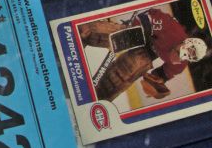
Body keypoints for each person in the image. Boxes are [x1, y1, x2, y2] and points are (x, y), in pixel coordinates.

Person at [79, 7, 209, 101]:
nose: (177, 55)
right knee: (124, 35)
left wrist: (157, 80)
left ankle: (99, 96)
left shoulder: (180, 65)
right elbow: (146, 18)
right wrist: (133, 31)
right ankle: (82, 31)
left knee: (134, 65)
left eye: (181, 56)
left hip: (149, 51)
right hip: (142, 32)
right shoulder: (171, 28)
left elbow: (163, 73)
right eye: (178, 51)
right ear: (185, 42)